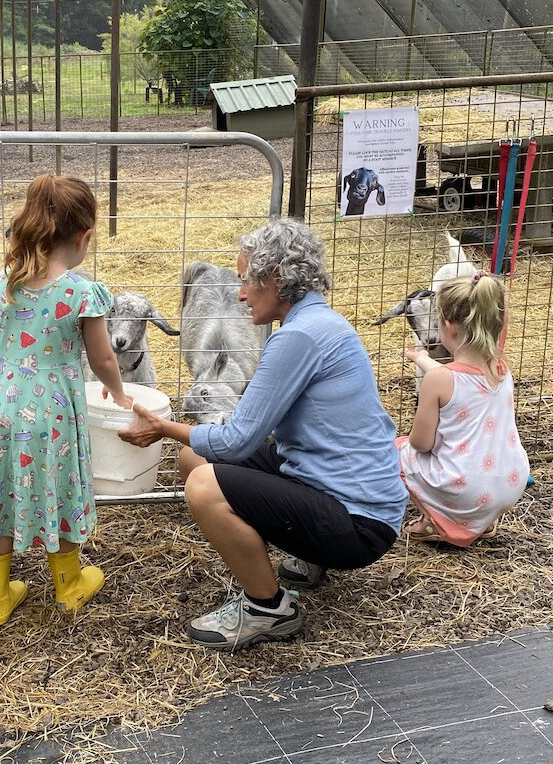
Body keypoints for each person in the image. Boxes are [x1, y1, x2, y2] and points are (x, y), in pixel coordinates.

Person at [119, 217, 408, 652]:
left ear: (275, 278)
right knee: (193, 459)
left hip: (358, 522)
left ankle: (267, 607)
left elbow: (237, 440)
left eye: (244, 280)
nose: (238, 293)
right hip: (342, 492)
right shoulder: (319, 323)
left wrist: (163, 427)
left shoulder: (299, 338)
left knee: (203, 482)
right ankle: (311, 559)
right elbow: (252, 431)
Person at [0, 174, 132, 626]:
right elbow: (102, 357)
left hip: (3, 404)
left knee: (0, 492)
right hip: (56, 411)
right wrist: (118, 391)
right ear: (84, 236)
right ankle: (68, 586)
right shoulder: (81, 292)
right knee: (60, 489)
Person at [397, 271, 529, 546]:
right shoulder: (502, 370)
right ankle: (483, 520)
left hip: (465, 487)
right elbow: (462, 379)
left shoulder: (437, 381)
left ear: (449, 326)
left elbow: (420, 444)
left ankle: (435, 524)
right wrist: (422, 359)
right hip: (510, 482)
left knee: (397, 451)